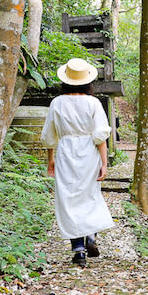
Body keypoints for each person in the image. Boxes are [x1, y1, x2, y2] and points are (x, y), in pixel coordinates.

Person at [40, 58, 114, 267]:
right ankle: (90, 235)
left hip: (65, 150)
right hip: (88, 151)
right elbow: (101, 135)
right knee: (90, 194)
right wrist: (104, 163)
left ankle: (78, 250)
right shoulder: (93, 103)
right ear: (87, 81)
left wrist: (50, 159)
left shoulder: (57, 102)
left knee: (68, 199)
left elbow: (49, 135)